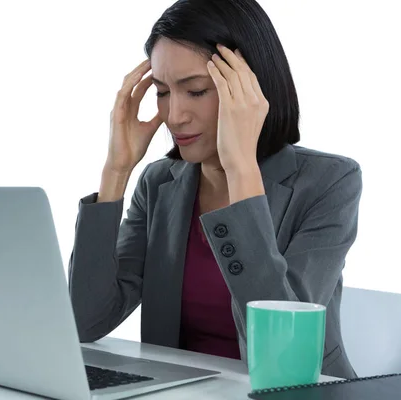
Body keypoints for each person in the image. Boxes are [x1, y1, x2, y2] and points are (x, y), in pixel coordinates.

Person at [68, 0, 361, 379]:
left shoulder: (329, 182)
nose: (174, 116)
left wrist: (240, 166)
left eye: (196, 91)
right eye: (162, 92)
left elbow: (281, 351)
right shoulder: (160, 183)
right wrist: (116, 170)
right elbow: (85, 321)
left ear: (250, 88)